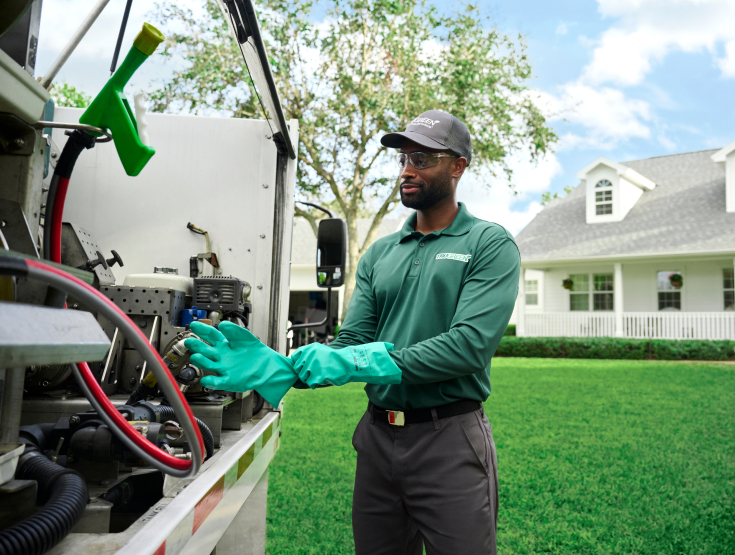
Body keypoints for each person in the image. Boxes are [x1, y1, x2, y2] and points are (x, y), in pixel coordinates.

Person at [185, 110, 521, 555]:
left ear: (457, 166)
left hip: (449, 440)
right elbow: (350, 344)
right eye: (403, 158)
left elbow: (468, 348)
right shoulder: (382, 253)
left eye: (422, 159)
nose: (407, 170)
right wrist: (284, 367)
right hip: (379, 442)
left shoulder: (488, 244)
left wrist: (358, 361)